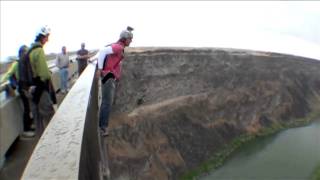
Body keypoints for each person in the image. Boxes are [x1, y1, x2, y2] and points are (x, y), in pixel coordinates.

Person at [97, 26, 134, 136]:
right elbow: (102, 51)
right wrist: (100, 69)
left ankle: (102, 125)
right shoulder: (118, 47)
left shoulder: (119, 46)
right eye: (130, 39)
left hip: (109, 76)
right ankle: (103, 127)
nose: (131, 41)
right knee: (107, 103)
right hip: (108, 76)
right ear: (124, 39)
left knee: (106, 102)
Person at [1, 45, 35, 137]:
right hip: (22, 86)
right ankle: (26, 130)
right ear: (21, 53)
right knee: (26, 108)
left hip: (26, 86)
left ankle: (29, 125)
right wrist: (1, 82)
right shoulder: (17, 63)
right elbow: (9, 74)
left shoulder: (25, 62)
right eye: (26, 52)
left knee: (29, 107)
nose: (28, 54)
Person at [29, 25, 56, 137]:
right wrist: (48, 73)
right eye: (46, 37)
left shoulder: (30, 51)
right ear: (41, 37)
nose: (47, 39)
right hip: (41, 88)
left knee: (38, 120)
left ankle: (41, 144)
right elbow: (44, 74)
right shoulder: (39, 51)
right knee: (50, 116)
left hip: (33, 89)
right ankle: (53, 142)